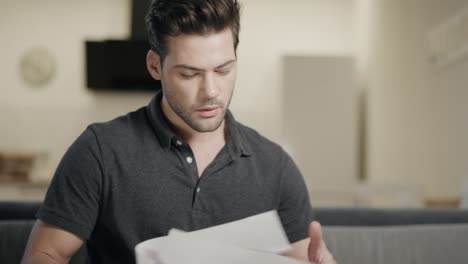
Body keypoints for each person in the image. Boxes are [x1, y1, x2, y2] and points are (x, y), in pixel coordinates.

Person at [22, 0, 336, 263]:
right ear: (155, 66)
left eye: (224, 70)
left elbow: (300, 257)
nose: (211, 91)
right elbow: (45, 255)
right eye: (189, 74)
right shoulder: (100, 151)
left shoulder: (276, 167)